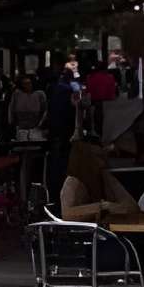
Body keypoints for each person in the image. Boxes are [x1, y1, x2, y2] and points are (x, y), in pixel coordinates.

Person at [60, 138, 135, 222]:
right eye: (97, 157)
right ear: (85, 159)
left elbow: (132, 207)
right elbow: (67, 215)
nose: (102, 163)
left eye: (103, 157)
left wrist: (111, 206)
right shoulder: (73, 181)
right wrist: (101, 206)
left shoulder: (104, 176)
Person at [45, 62, 78, 205]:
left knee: (56, 152)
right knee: (64, 152)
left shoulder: (52, 89)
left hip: (55, 124)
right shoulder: (69, 89)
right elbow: (73, 107)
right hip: (65, 124)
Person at [8, 72, 47, 143]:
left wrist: (41, 123)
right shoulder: (17, 94)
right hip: (21, 128)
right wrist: (12, 122)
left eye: (29, 83)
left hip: (35, 128)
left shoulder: (39, 94)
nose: (27, 86)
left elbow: (45, 110)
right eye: (25, 84)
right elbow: (11, 109)